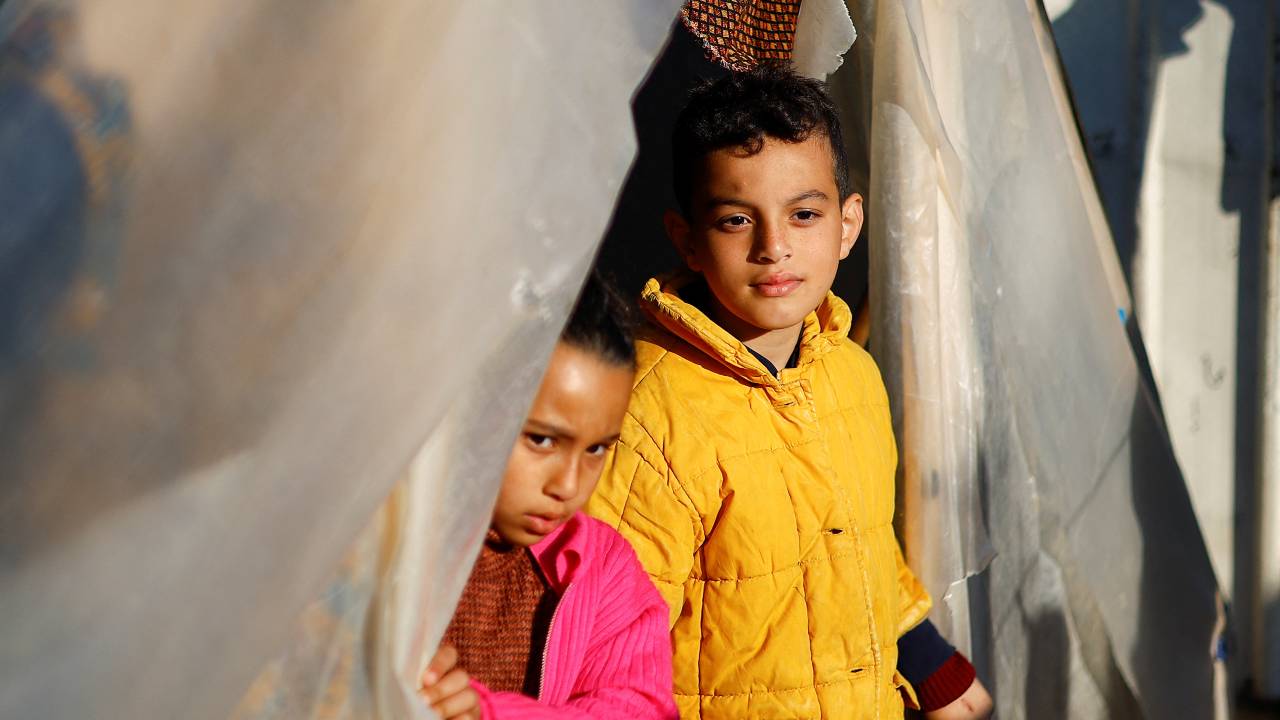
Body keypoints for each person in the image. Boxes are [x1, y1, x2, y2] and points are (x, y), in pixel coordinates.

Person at [586, 66, 994, 719]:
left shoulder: (850, 373)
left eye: (804, 214)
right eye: (735, 221)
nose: (774, 248)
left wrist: (928, 663)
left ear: (848, 224)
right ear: (687, 239)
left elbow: (861, 546)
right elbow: (610, 637)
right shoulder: (649, 411)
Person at [419, 273, 679, 720]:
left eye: (597, 448)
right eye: (541, 440)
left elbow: (641, 710)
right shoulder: (384, 547)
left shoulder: (603, 567)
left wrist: (487, 714)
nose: (568, 485)